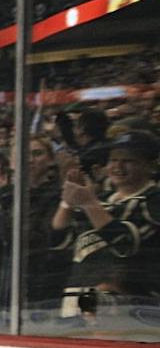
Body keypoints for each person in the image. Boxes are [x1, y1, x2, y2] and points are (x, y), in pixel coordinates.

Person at [55, 129, 159, 321]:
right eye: (113, 160)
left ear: (150, 166)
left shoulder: (153, 200)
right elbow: (58, 236)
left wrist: (89, 203)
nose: (118, 166)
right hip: (76, 298)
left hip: (127, 308)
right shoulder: (102, 199)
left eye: (129, 160)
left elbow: (124, 243)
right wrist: (68, 199)